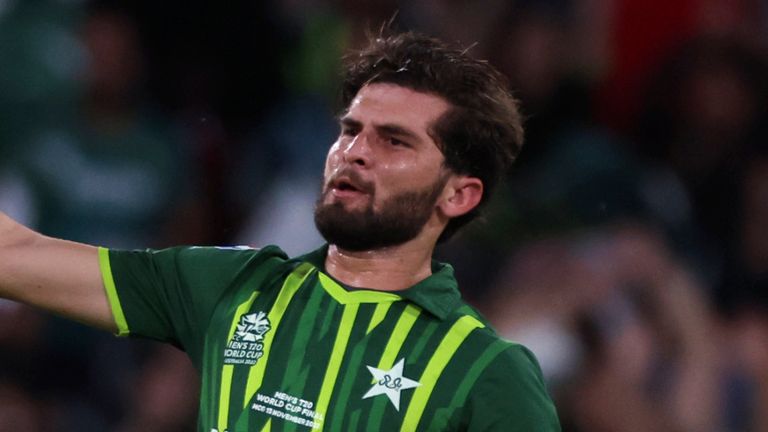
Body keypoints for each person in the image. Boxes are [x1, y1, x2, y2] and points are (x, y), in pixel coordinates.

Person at [0, 32, 560, 431]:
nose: (354, 152)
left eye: (394, 140)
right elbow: (13, 255)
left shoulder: (486, 373)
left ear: (458, 194)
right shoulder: (234, 287)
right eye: (349, 130)